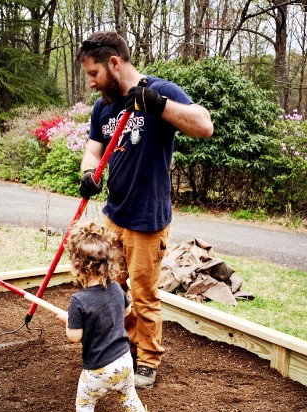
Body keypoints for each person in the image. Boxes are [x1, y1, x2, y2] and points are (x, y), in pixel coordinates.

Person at [76, 31, 214, 389]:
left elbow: (204, 125)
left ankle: (148, 360)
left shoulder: (160, 91)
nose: (91, 83)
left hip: (147, 219)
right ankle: (122, 349)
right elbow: (93, 150)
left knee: (143, 294)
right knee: (111, 289)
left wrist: (158, 105)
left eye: (94, 74)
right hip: (113, 216)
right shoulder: (104, 105)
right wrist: (89, 172)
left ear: (114, 63)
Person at [55, 219, 159, 412]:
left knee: (85, 404)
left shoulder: (78, 301)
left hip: (97, 370)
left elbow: (74, 336)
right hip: (124, 363)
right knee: (130, 397)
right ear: (108, 262)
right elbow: (125, 312)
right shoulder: (115, 289)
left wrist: (67, 320)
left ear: (78, 267)